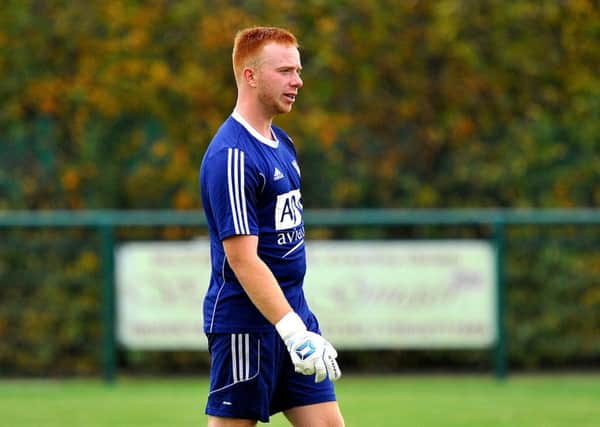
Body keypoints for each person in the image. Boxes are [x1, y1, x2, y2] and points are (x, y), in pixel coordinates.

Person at [199, 26, 344, 427]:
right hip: (246, 326)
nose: (297, 80)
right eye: (284, 71)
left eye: (297, 70)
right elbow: (243, 261)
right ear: (250, 76)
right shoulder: (231, 155)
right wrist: (293, 331)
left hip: (293, 315)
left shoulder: (282, 143)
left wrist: (298, 327)